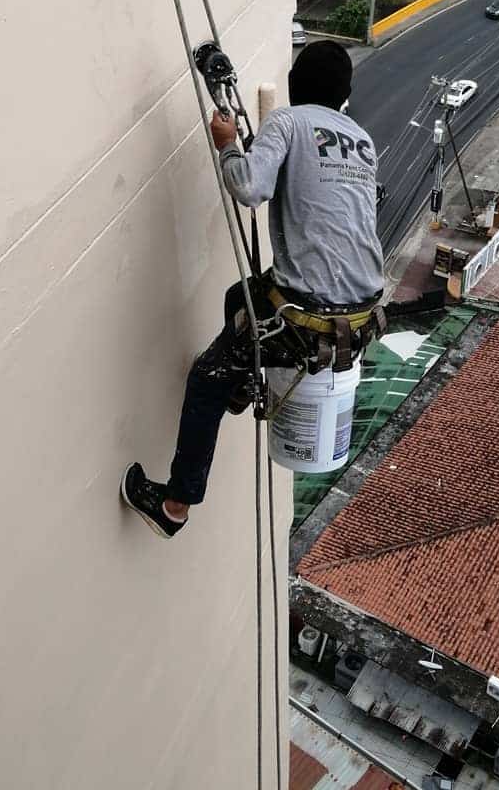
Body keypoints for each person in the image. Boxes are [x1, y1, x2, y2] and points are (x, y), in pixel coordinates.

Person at [120, 40, 384, 539]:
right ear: (344, 95)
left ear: (294, 85)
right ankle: (242, 382)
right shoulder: (362, 141)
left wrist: (226, 145)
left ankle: (174, 505)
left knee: (204, 378)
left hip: (309, 315)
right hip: (361, 313)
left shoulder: (287, 121)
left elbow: (249, 188)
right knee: (241, 295)